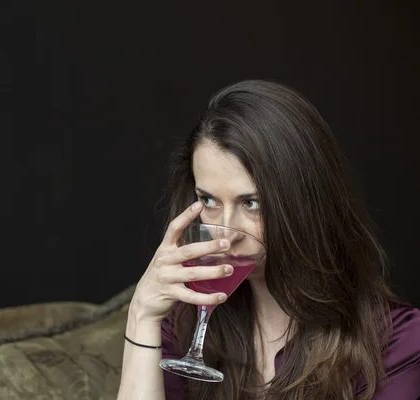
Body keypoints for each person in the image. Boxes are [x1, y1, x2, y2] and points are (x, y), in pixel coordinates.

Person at [116, 80, 420, 400]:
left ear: (307, 202)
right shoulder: (184, 323)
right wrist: (141, 317)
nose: (227, 233)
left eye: (252, 203)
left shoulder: (397, 342)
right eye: (209, 201)